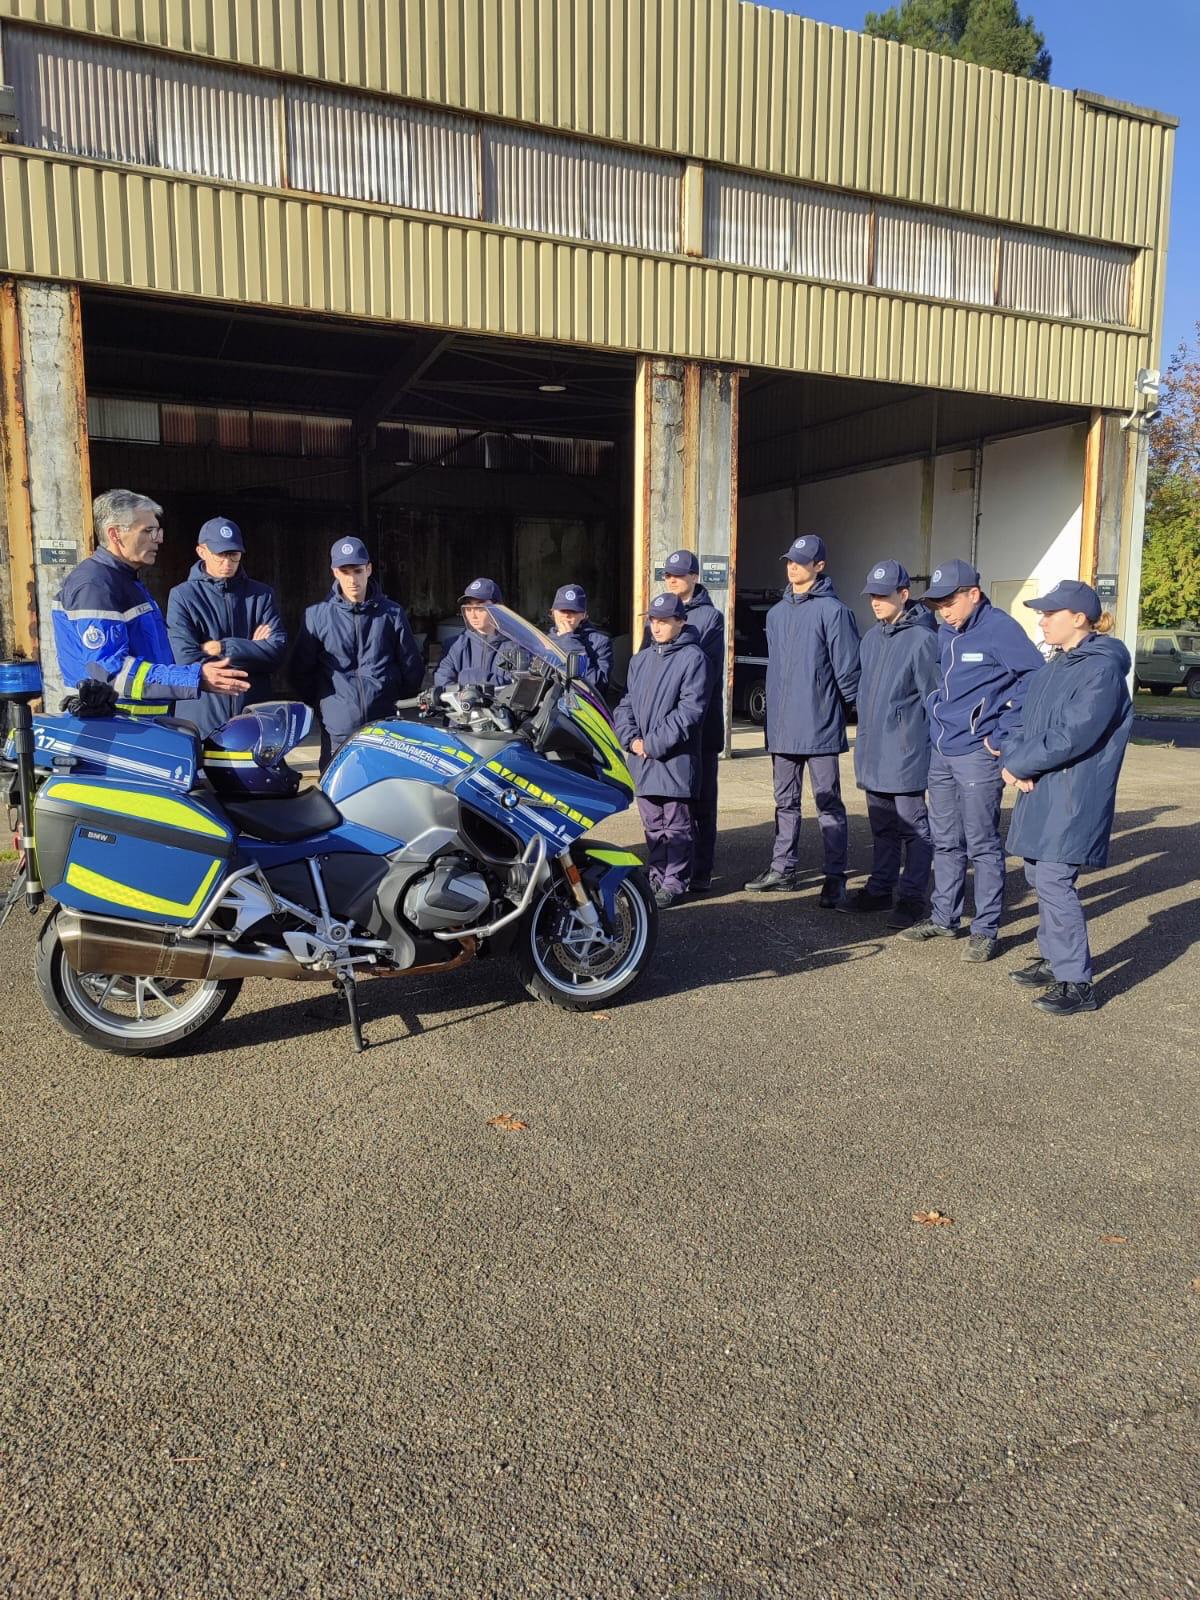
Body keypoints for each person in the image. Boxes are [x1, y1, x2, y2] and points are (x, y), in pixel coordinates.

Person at [900, 558, 1045, 961]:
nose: (943, 611)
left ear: (974, 594)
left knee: (981, 843)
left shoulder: (1000, 629)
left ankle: (985, 928)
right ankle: (944, 917)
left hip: (977, 755)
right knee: (945, 840)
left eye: (950, 602)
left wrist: (1002, 732)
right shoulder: (946, 631)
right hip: (942, 750)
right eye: (937, 605)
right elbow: (939, 682)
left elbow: (1035, 678)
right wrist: (934, 713)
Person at [1000, 581, 1133, 1016]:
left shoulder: (1101, 670)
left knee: (1055, 879)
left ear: (1079, 618)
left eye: (1050, 614)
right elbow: (1023, 722)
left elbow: (1074, 734)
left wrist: (1021, 765)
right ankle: (1054, 958)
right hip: (1043, 786)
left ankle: (1077, 983)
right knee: (1038, 873)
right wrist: (1013, 759)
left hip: (1075, 792)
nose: (1041, 621)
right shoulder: (1054, 666)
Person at [52, 488, 249, 718]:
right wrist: (193, 677)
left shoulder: (126, 581)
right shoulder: (95, 585)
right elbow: (110, 672)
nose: (159, 538)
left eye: (158, 530)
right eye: (148, 531)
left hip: (139, 726)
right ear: (115, 534)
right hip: (117, 729)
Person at [744, 534, 861, 908]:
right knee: (785, 803)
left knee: (828, 804)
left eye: (801, 561)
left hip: (819, 725)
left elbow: (848, 672)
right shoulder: (776, 614)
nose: (792, 566)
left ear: (819, 566)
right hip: (782, 728)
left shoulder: (834, 612)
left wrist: (861, 715)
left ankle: (835, 877)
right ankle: (782, 870)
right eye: (790, 561)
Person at [846, 559, 940, 929]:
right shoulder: (871, 639)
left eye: (883, 596)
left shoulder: (923, 640)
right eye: (872, 595)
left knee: (914, 830)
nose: (876, 602)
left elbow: (934, 700)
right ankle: (880, 889)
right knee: (882, 827)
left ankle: (912, 897)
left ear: (903, 594)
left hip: (905, 753)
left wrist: (933, 751)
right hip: (873, 750)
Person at [290, 536, 423, 768]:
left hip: (384, 725)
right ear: (334, 572)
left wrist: (390, 697)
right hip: (337, 729)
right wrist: (328, 705)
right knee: (337, 786)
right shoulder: (317, 616)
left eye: (358, 571)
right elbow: (300, 671)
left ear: (369, 569)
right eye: (345, 572)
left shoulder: (392, 614)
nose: (352, 579)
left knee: (386, 785)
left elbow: (411, 666)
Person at [614, 592, 708, 909]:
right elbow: (625, 705)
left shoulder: (693, 658)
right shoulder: (640, 660)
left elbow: (690, 712)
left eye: (664, 621)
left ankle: (674, 882)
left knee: (677, 825)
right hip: (642, 760)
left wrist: (652, 744)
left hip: (674, 760)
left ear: (680, 622)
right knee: (653, 825)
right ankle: (656, 876)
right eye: (653, 620)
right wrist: (630, 739)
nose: (656, 627)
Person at [641, 550, 725, 894]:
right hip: (662, 727)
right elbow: (646, 667)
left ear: (694, 576)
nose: (672, 580)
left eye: (679, 574)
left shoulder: (710, 618)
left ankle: (700, 871)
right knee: (664, 808)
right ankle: (669, 873)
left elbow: (705, 674)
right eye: (668, 575)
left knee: (701, 803)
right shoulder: (656, 617)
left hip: (699, 728)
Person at [166, 517, 287, 738]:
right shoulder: (182, 596)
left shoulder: (262, 595)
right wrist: (253, 647)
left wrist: (223, 647)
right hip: (201, 722)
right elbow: (186, 658)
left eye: (234, 555)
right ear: (201, 551)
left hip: (253, 719)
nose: (227, 562)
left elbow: (276, 652)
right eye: (220, 554)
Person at [434, 578, 511, 689]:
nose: (473, 615)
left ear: (497, 608)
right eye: (468, 608)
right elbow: (442, 682)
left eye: (479, 608)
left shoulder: (514, 647)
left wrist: (468, 677)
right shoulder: (454, 646)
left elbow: (516, 686)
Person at [547, 584, 612, 694]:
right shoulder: (544, 640)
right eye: (562, 610)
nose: (566, 616)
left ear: (584, 615)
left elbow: (598, 685)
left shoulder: (600, 643)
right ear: (553, 612)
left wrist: (571, 644)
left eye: (573, 611)